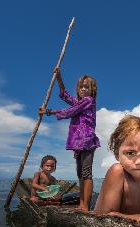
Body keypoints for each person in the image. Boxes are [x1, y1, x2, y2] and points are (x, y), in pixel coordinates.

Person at [40, 67, 100, 211]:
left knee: (86, 173)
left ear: (92, 90)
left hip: (87, 141)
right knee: (80, 174)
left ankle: (85, 206)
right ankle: (82, 204)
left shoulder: (88, 101)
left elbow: (70, 111)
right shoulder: (80, 102)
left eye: (87, 87)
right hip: (79, 143)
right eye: (81, 87)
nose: (83, 89)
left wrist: (49, 111)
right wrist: (59, 78)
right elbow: (65, 96)